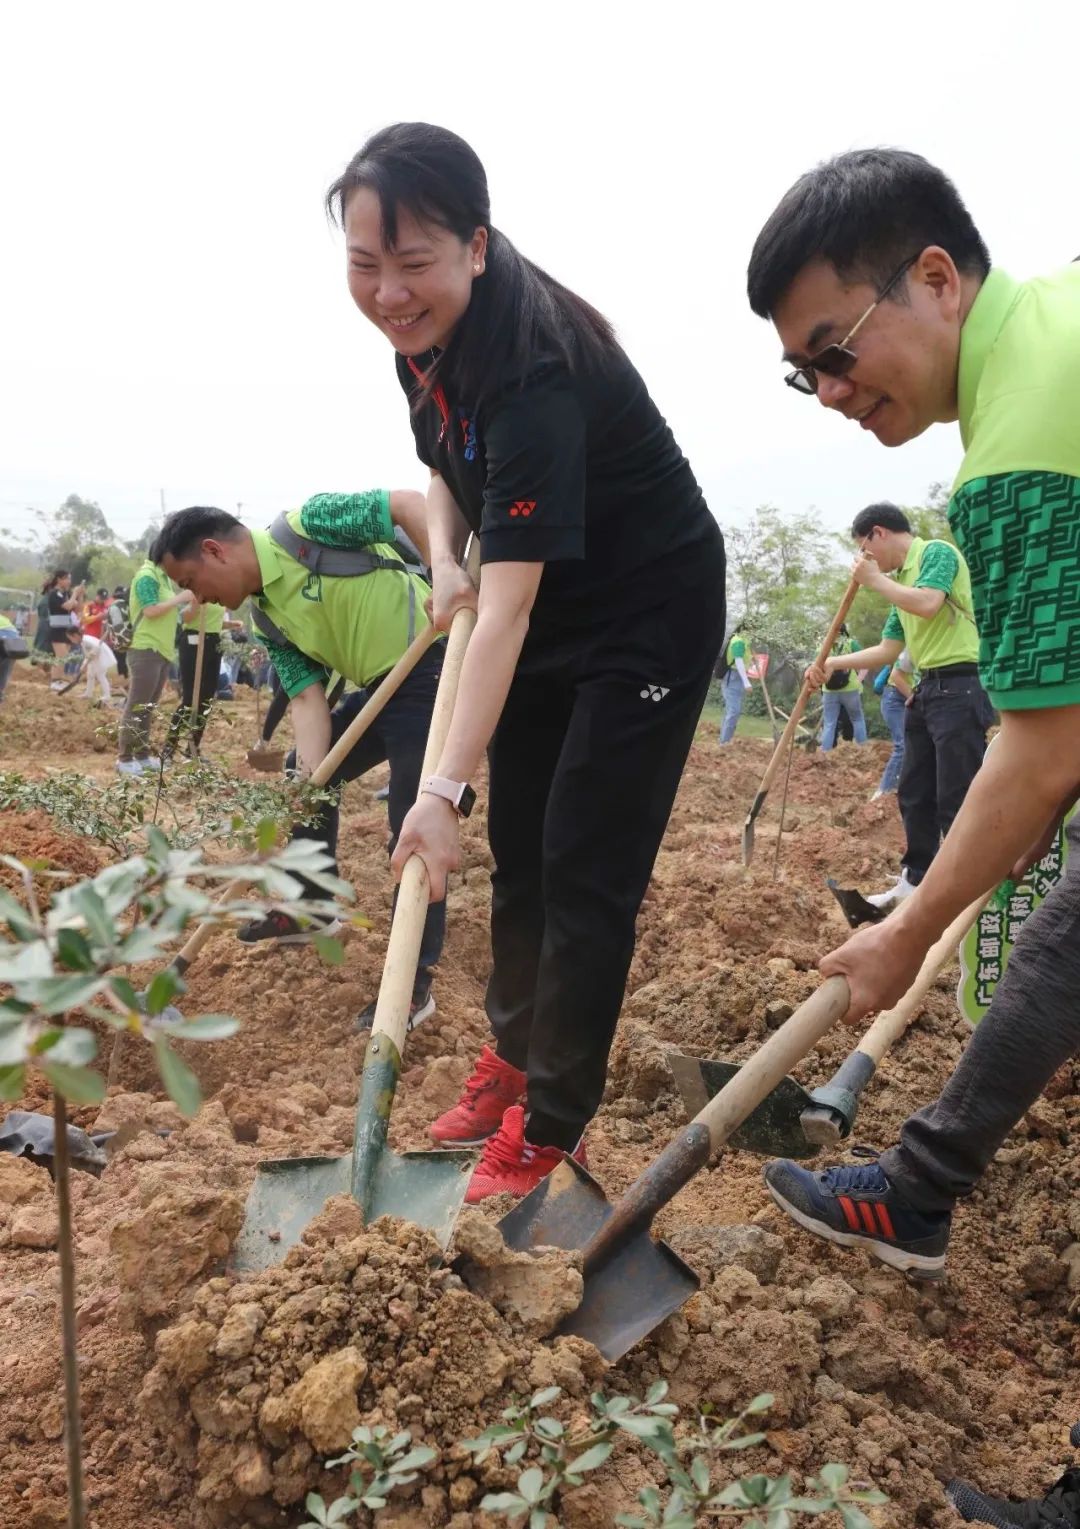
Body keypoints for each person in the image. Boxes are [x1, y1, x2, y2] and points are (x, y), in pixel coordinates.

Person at [326, 122, 726, 1203]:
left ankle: (553, 1121)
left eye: (415, 265)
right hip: (540, 602)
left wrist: (439, 787)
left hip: (643, 613)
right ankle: (513, 1053)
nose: (389, 291)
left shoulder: (534, 369)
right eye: (366, 265)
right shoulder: (421, 341)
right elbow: (444, 463)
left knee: (586, 863)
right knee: (526, 849)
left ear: (477, 247)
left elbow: (505, 614)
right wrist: (445, 555)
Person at [746, 146, 1080, 1279]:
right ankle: (920, 1191)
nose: (832, 391)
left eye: (835, 351)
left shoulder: (1017, 456)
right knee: (1063, 940)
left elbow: (1042, 756)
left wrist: (907, 926)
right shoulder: (1056, 319)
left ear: (937, 278)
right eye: (807, 373)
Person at [151, 492, 445, 1029]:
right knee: (304, 773)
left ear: (214, 551)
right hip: (383, 687)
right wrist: (309, 784)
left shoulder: (310, 525)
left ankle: (412, 985)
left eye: (192, 583)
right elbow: (310, 704)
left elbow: (409, 505)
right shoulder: (268, 620)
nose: (202, 600)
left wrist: (440, 571)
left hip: (432, 665)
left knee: (412, 815)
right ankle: (312, 904)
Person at [806, 505, 992, 911]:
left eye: (864, 550)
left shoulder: (935, 554)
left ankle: (965, 892)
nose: (867, 560)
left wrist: (873, 580)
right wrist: (832, 663)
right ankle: (915, 880)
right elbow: (889, 650)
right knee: (914, 790)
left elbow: (928, 603)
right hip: (927, 690)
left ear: (878, 534)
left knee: (955, 794)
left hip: (961, 685)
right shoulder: (900, 584)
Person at [116, 559, 192, 776]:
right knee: (136, 706)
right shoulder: (147, 576)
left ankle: (141, 756)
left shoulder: (164, 578)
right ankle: (124, 759)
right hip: (145, 648)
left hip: (161, 651)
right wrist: (179, 599)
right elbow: (149, 610)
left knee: (147, 708)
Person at [163, 600, 242, 758]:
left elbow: (212, 623)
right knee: (190, 700)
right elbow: (185, 617)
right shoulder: (197, 592)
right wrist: (196, 602)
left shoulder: (220, 597)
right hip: (193, 643)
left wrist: (230, 624)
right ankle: (169, 748)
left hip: (213, 643)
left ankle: (192, 748)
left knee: (206, 700)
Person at [871, 649, 913, 800]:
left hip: (909, 697)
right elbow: (896, 676)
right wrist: (916, 698)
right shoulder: (912, 647)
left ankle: (905, 788)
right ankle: (883, 791)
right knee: (902, 744)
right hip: (895, 698)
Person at [819, 624, 868, 750]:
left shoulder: (823, 645)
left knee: (829, 723)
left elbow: (818, 666)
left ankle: (825, 752)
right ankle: (862, 750)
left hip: (829, 689)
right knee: (857, 718)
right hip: (850, 688)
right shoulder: (850, 643)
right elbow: (866, 662)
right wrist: (859, 680)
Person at [40, 570, 83, 686]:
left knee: (64, 657)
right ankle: (55, 681)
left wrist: (80, 595)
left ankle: (58, 680)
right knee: (61, 657)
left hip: (67, 629)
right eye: (67, 579)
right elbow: (67, 606)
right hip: (57, 628)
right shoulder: (54, 594)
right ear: (59, 579)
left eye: (70, 579)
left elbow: (78, 609)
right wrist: (74, 593)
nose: (69, 581)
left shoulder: (66, 594)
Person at [718, 624, 753, 743]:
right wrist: (746, 682)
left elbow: (743, 659)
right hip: (733, 677)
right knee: (734, 711)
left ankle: (724, 740)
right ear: (747, 629)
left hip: (736, 677)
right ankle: (724, 742)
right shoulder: (738, 640)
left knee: (731, 710)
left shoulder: (744, 640)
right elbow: (738, 661)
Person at [80, 632, 118, 704]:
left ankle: (107, 696)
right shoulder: (84, 640)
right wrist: (84, 664)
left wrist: (84, 665)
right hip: (94, 659)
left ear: (75, 636)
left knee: (101, 676)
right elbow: (89, 654)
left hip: (100, 657)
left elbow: (93, 653)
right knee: (90, 675)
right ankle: (88, 694)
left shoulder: (86, 641)